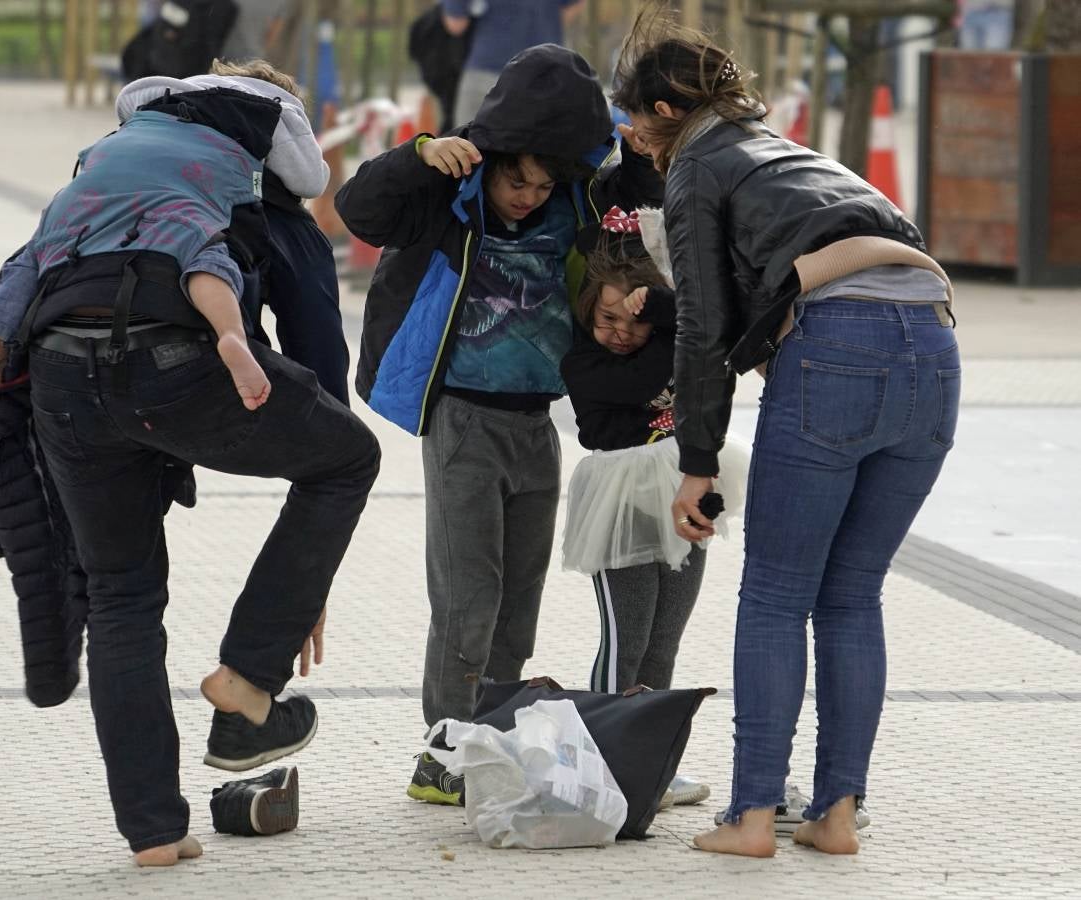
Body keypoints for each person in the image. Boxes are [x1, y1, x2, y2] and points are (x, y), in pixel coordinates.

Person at [0, 62, 382, 866]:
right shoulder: (268, 208)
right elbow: (323, 378)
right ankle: (249, 676)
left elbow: (19, 278)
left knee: (120, 596)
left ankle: (152, 830)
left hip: (59, 373)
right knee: (349, 459)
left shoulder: (98, 185)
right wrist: (301, 585)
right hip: (175, 365)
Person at [612, 8, 960, 857]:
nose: (628, 137)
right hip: (936, 348)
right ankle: (836, 814)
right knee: (851, 594)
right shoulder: (798, 155)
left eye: (630, 116)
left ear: (664, 108)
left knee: (774, 593)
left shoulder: (698, 163)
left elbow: (702, 324)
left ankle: (752, 815)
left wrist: (695, 463)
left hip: (838, 347)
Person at [335, 44, 614, 806]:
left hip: (536, 426)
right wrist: (421, 154)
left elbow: (633, 156)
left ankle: (488, 739)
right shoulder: (444, 197)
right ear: (487, 160)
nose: (527, 195)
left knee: (519, 597)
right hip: (461, 418)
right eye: (514, 179)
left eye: (542, 182)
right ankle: (442, 751)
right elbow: (358, 209)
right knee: (467, 598)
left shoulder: (580, 204)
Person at [0, 60, 331, 426]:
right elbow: (309, 181)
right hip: (183, 195)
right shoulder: (276, 106)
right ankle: (230, 334)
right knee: (204, 256)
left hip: (99, 179)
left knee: (34, 256)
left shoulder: (157, 101)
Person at [561, 213, 748, 807]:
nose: (620, 332)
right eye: (606, 319)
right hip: (621, 504)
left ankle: (650, 765)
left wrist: (665, 311)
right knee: (625, 640)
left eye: (634, 321)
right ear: (587, 314)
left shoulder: (666, 341)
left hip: (679, 492)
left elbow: (715, 346)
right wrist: (669, 312)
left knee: (664, 641)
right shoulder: (584, 366)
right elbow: (661, 369)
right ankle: (604, 763)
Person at [442, 0, 587, 125]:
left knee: (469, 147)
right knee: (541, 151)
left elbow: (456, 24)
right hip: (544, 71)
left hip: (488, 68)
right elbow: (573, 6)